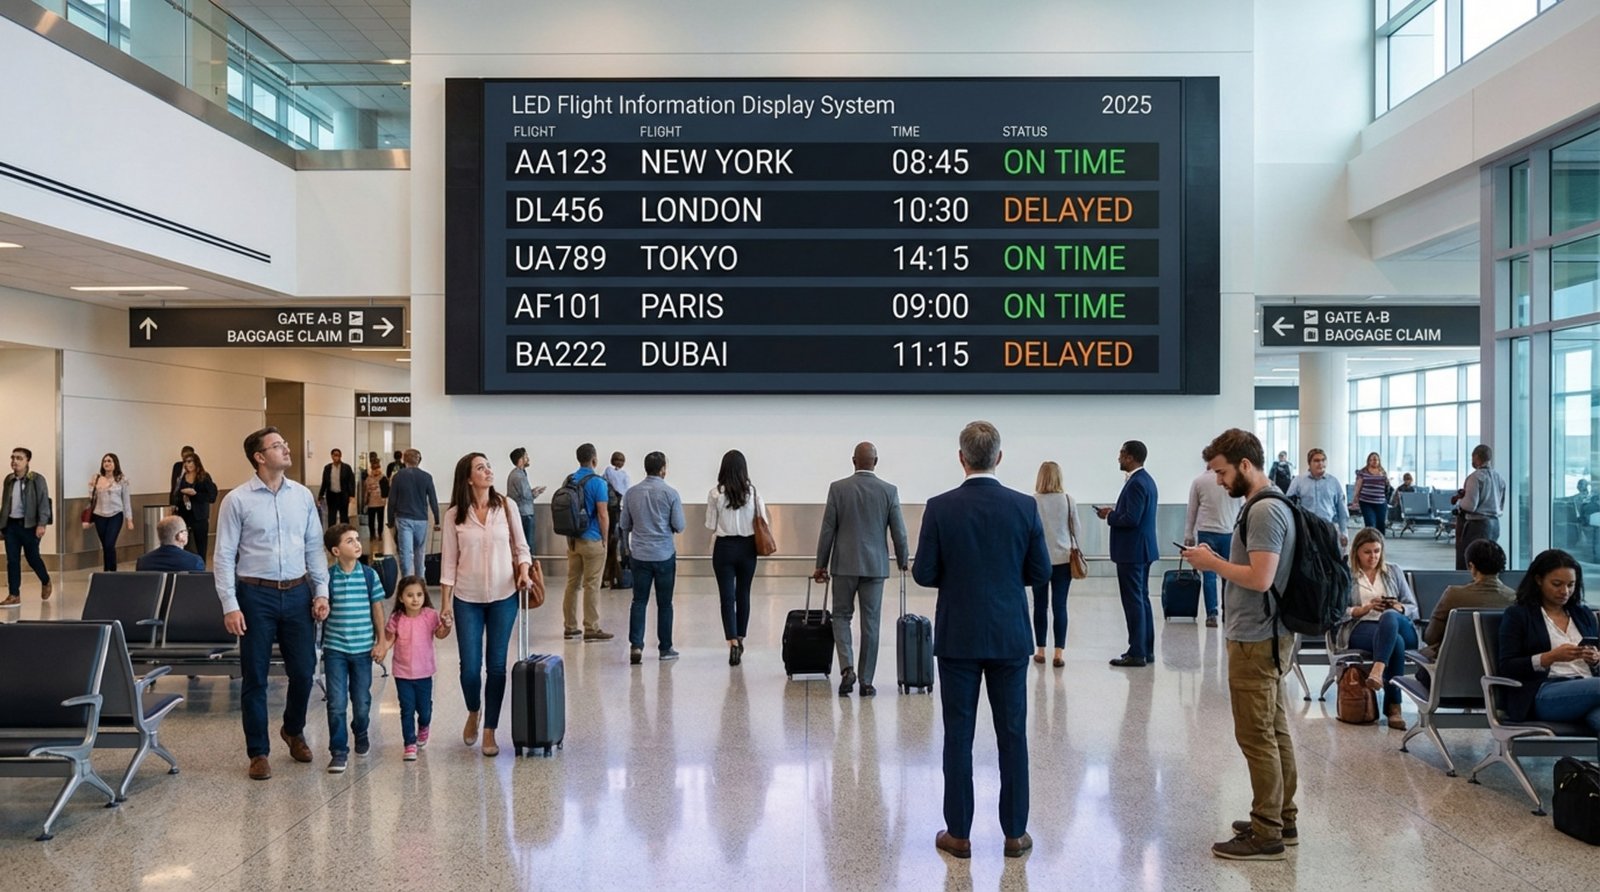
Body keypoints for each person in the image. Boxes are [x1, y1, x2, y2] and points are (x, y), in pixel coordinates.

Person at [913, 421, 1050, 860]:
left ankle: (959, 833)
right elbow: (1041, 572)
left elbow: (925, 573)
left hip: (958, 638)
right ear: (999, 457)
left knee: (958, 736)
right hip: (1010, 636)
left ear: (961, 458)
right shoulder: (1024, 507)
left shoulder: (939, 507)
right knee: (1013, 735)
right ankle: (1014, 833)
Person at [1181, 428, 1299, 861]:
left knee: (1256, 736)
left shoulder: (1265, 511)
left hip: (1256, 637)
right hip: (1267, 633)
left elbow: (1260, 577)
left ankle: (1267, 831)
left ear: (1245, 465)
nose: (1218, 480)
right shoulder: (1268, 504)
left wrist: (1213, 563)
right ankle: (1281, 816)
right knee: (1274, 729)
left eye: (1222, 471)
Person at [213, 427, 330, 781]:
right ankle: (258, 752)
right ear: (259, 457)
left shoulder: (302, 496)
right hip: (255, 595)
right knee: (255, 676)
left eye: (285, 442)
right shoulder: (237, 500)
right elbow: (223, 556)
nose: (286, 448)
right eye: (278, 446)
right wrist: (229, 604)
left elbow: (313, 546)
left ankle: (292, 729)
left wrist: (321, 590)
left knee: (303, 670)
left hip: (297, 592)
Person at [439, 452, 538, 758]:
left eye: (488, 466)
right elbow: (449, 563)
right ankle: (473, 709)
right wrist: (445, 605)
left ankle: (489, 730)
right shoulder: (454, 515)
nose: (488, 471)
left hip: (503, 596)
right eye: (480, 468)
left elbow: (522, 547)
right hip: (466, 599)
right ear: (468, 478)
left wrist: (523, 571)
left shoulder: (506, 507)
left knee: (496, 667)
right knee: (469, 668)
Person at [814, 442, 910, 696]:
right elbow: (899, 530)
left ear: (853, 461)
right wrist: (903, 559)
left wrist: (820, 565)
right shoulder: (889, 491)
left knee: (841, 616)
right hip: (875, 567)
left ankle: (847, 669)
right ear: (875, 462)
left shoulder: (838, 489)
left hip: (844, 565)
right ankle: (866, 681)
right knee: (871, 623)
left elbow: (827, 530)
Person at [1497, 548, 1600, 735]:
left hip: (1587, 687)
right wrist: (1549, 657)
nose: (1565, 591)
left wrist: (1596, 659)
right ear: (1538, 580)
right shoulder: (1519, 615)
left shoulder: (1583, 615)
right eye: (1557, 584)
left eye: (1571, 585)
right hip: (1544, 693)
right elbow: (1507, 666)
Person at [319, 523, 386, 774]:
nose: (357, 544)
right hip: (335, 648)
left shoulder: (369, 575)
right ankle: (338, 750)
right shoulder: (327, 578)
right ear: (336, 551)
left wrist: (381, 641)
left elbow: (377, 609)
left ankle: (360, 730)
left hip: (362, 650)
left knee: (361, 700)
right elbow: (322, 609)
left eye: (358, 539)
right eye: (350, 541)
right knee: (336, 702)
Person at [1336, 527, 1419, 731]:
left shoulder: (1393, 571)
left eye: (1377, 551)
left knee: (1390, 617)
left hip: (1397, 623)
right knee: (1395, 643)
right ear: (1357, 552)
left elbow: (1412, 607)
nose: (1373, 557)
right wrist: (1363, 609)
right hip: (1363, 626)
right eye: (1367, 552)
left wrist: (1398, 607)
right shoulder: (1347, 575)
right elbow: (1335, 612)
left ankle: (1378, 669)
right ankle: (1394, 708)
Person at [1097, 440, 1159, 667]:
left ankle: (1137, 653)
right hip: (1142, 549)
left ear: (1131, 457)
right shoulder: (1146, 480)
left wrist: (1109, 516)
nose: (1118, 458)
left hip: (1132, 552)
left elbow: (1131, 519)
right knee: (1142, 600)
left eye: (1121, 454)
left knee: (1134, 601)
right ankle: (1145, 649)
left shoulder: (1136, 483)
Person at [620, 451, 686, 665]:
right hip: (664, 554)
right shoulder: (671, 493)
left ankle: (636, 646)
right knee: (665, 603)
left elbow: (624, 525)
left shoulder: (631, 493)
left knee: (639, 601)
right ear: (663, 469)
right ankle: (665, 648)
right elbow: (679, 525)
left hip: (639, 554)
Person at [379, 575, 451, 761]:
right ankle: (409, 743)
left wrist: (447, 626)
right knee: (407, 709)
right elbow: (389, 639)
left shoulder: (430, 615)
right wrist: (382, 649)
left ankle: (424, 726)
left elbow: (440, 633)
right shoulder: (396, 618)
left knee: (424, 710)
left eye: (419, 594)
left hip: (425, 672)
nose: (415, 599)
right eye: (410, 595)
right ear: (401, 598)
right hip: (402, 674)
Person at [708, 449, 769, 667]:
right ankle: (741, 637)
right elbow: (764, 521)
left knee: (726, 597)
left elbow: (710, 525)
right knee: (743, 593)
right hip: (747, 548)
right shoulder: (752, 492)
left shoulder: (715, 493)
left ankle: (732, 641)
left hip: (724, 548)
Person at [1419, 538, 1513, 661]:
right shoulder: (1514, 598)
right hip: (1497, 670)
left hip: (1452, 666)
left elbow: (1431, 637)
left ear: (1471, 566)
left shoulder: (1453, 595)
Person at [562, 443, 614, 641]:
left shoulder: (570, 479)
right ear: (594, 459)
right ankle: (591, 628)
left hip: (573, 540)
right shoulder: (598, 482)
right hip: (592, 538)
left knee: (572, 583)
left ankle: (570, 626)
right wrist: (605, 539)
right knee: (592, 584)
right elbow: (602, 514)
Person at [1031, 461, 1081, 664]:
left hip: (1039, 560)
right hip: (1063, 559)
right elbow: (1076, 531)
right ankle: (1059, 652)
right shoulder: (1068, 500)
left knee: (1039, 606)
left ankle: (1041, 650)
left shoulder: (1033, 501)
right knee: (1060, 606)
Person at [1184, 462, 1242, 628]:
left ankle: (1211, 614)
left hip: (1206, 532)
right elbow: (1241, 507)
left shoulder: (1198, 481)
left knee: (1208, 575)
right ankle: (1228, 612)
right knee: (1228, 574)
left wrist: (1188, 535)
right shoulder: (1233, 480)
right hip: (1229, 533)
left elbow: (1192, 510)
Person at [2, 446, 53, 607]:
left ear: (27, 461)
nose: (14, 461)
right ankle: (14, 594)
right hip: (11, 526)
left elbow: (44, 502)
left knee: (32, 558)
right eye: (13, 458)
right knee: (12, 560)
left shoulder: (36, 479)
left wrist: (42, 524)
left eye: (19, 458)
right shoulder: (9, 480)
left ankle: (45, 580)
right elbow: (5, 504)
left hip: (29, 526)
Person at [1452, 444, 1507, 571]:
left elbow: (1470, 505)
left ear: (1476, 457)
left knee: (1471, 560)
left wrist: (1459, 502)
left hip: (1478, 525)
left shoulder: (1475, 477)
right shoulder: (1499, 477)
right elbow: (1501, 502)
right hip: (1494, 524)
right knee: (1488, 561)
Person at [390, 449, 441, 579]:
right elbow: (433, 500)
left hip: (403, 518)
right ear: (419, 460)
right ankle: (420, 581)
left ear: (403, 460)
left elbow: (392, 501)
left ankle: (406, 581)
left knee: (406, 552)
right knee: (420, 552)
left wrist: (390, 520)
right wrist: (437, 520)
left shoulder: (398, 476)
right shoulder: (427, 477)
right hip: (421, 519)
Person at [1286, 447, 1347, 549]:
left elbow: (1341, 509)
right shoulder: (1298, 481)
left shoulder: (1333, 482)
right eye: (1316, 460)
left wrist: (1344, 532)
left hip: (1327, 527)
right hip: (1306, 528)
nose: (1320, 463)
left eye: (1323, 460)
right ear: (1309, 463)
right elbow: (1288, 504)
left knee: (1327, 560)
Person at [84, 452, 134, 572]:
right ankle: (107, 572)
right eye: (105, 461)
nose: (106, 463)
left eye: (109, 461)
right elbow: (92, 499)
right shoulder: (97, 478)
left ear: (115, 463)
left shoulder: (122, 479)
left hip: (115, 515)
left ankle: (112, 571)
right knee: (105, 546)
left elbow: (126, 500)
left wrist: (129, 519)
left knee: (109, 544)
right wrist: (91, 487)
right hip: (99, 515)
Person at [173, 451, 217, 558]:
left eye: (190, 461)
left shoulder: (204, 476)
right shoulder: (183, 477)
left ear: (196, 462)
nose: (187, 464)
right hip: (185, 515)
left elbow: (212, 497)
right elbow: (176, 493)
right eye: (185, 462)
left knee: (201, 544)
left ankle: (201, 567)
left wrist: (195, 494)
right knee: (184, 543)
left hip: (199, 516)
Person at [505, 447, 545, 559]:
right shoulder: (519, 476)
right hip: (525, 514)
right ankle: (529, 570)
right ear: (521, 459)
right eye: (526, 456)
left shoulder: (519, 474)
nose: (528, 459)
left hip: (521, 512)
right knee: (528, 544)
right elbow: (525, 495)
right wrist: (535, 493)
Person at [136, 515, 206, 572]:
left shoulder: (143, 562)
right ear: (180, 536)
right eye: (186, 530)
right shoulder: (195, 562)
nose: (187, 533)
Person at [603, 451, 632, 588]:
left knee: (614, 545)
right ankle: (622, 573)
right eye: (618, 460)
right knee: (621, 544)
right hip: (617, 513)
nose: (619, 463)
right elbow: (625, 492)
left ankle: (611, 574)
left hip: (612, 514)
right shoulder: (618, 474)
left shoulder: (606, 475)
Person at [1352, 452, 1391, 534]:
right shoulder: (1363, 472)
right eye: (1372, 459)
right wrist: (1355, 498)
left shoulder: (1382, 472)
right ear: (1368, 461)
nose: (1374, 461)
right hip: (1366, 502)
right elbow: (1358, 485)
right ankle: (1370, 543)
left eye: (1376, 459)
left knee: (1380, 525)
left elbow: (1386, 486)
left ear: (1379, 461)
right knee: (1370, 523)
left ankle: (1380, 544)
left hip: (1381, 502)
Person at [319, 448, 356, 527]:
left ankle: (345, 533)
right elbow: (324, 482)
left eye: (338, 455)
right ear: (332, 456)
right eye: (335, 455)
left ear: (340, 456)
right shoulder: (327, 468)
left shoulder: (346, 468)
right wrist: (320, 495)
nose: (336, 457)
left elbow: (351, 482)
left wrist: (352, 495)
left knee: (344, 516)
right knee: (331, 517)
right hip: (331, 495)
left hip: (343, 495)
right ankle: (332, 535)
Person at [360, 455, 389, 556]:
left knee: (380, 519)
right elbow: (366, 492)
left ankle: (380, 534)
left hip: (381, 502)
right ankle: (372, 534)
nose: (376, 470)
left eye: (377, 468)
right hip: (371, 502)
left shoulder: (383, 478)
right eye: (374, 468)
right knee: (371, 520)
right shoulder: (368, 479)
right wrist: (365, 502)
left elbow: (386, 491)